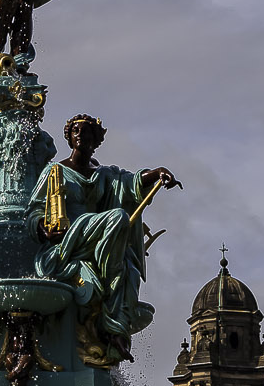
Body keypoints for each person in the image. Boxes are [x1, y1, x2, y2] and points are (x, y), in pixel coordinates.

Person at [30, 115, 178, 365]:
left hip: (98, 245)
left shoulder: (105, 174)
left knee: (130, 269)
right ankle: (110, 283)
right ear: (69, 137)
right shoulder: (55, 172)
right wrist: (44, 231)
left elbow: (131, 184)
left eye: (87, 132)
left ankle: (114, 330)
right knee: (119, 217)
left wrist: (157, 173)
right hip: (69, 242)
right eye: (76, 131)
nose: (81, 135)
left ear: (96, 140)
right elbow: (33, 211)